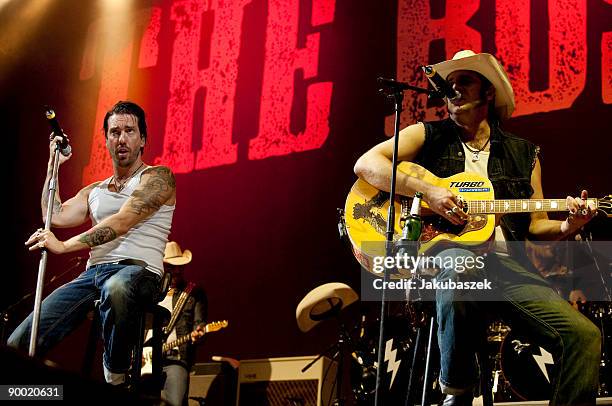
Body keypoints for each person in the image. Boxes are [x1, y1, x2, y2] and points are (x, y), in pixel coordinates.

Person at [354, 50, 601, 405]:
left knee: (584, 336)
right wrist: (431, 192)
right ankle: (457, 389)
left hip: (508, 268)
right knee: (459, 266)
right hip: (446, 259)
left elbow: (537, 227)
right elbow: (366, 164)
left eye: (464, 82)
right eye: (449, 84)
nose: (453, 90)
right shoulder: (427, 135)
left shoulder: (524, 153)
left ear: (488, 93)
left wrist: (570, 224)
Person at [8, 100, 176, 386]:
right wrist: (53, 165)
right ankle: (24, 393)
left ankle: (115, 374)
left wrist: (63, 246)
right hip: (93, 274)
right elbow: (55, 215)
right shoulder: (94, 190)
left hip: (139, 271)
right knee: (19, 342)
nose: (121, 138)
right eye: (114, 132)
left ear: (142, 139)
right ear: (106, 140)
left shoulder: (158, 177)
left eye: (129, 131)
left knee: (117, 287)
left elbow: (123, 221)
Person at [144, 241, 206, 406]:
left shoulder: (193, 293)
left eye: (180, 267)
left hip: (175, 359)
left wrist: (199, 334)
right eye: (172, 267)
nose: (177, 271)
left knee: (174, 402)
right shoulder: (148, 293)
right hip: (144, 361)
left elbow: (199, 325)